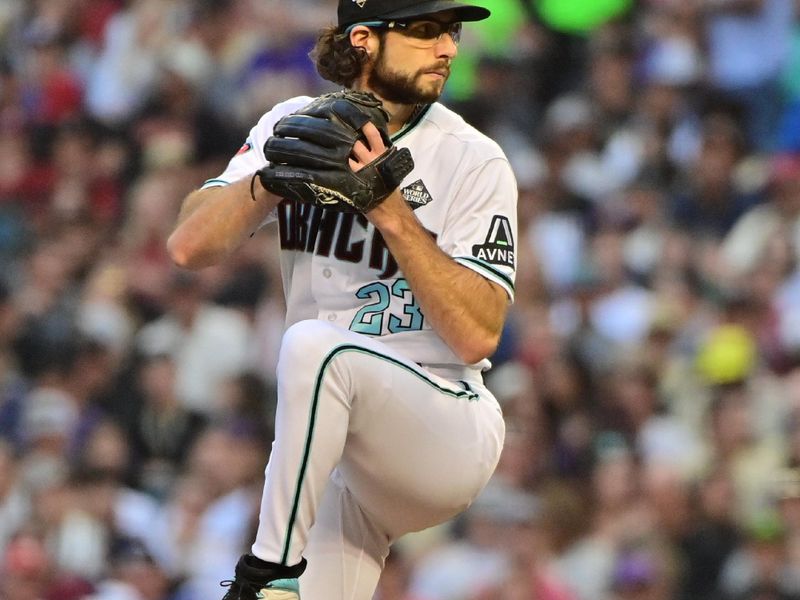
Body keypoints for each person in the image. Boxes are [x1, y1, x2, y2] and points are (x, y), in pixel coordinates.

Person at [166, 0, 518, 598]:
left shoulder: (473, 158)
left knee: (313, 345)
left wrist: (391, 212)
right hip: (340, 454)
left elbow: (479, 335)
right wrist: (268, 178)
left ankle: (267, 575)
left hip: (441, 421)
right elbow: (188, 246)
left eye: (451, 33)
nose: (449, 49)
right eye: (426, 31)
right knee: (317, 353)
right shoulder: (293, 120)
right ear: (363, 39)